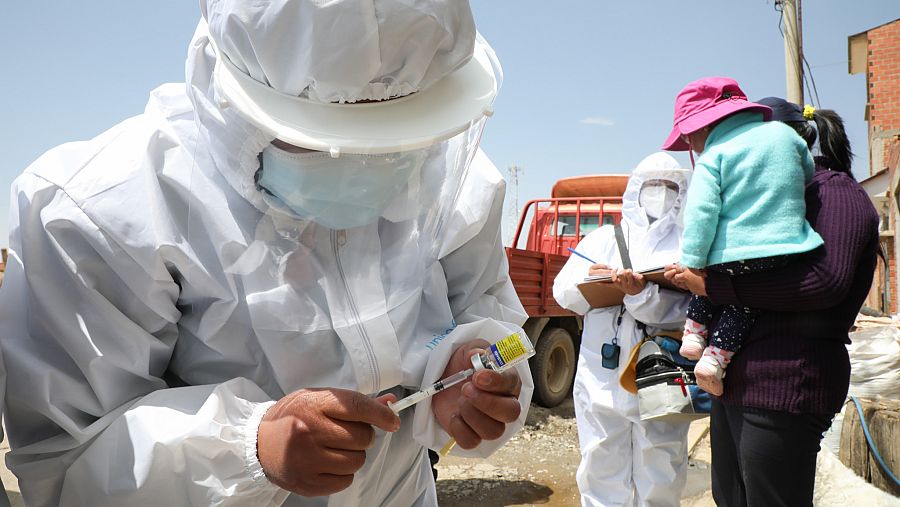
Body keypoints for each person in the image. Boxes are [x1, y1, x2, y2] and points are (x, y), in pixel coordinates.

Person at [0, 2, 533, 506]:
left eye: (396, 132)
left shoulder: (458, 184)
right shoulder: (100, 211)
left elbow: (493, 318)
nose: (371, 162)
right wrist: (248, 449)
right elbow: (66, 461)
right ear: (243, 103)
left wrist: (468, 369)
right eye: (330, 134)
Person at [666, 99, 879, 507]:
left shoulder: (835, 193)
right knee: (730, 498)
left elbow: (824, 283)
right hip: (739, 385)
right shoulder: (768, 206)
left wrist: (715, 288)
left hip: (787, 380)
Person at [661, 77, 823, 395]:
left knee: (710, 272)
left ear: (703, 127)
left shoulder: (714, 154)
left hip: (732, 252)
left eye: (688, 137)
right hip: (785, 249)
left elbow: (701, 215)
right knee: (745, 305)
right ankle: (715, 359)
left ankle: (694, 334)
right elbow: (807, 174)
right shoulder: (786, 136)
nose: (690, 146)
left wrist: (692, 263)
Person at [553, 153, 692, 507]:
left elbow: (688, 309)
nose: (660, 194)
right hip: (601, 371)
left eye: (669, 186)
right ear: (636, 190)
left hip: (659, 370)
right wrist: (596, 278)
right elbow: (564, 292)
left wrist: (642, 294)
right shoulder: (602, 239)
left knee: (661, 465)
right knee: (600, 460)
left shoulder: (687, 243)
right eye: (652, 185)